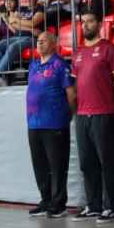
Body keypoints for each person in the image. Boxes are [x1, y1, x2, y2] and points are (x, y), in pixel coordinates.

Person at [71, 10, 114, 224]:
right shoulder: (77, 53)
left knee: (107, 162)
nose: (86, 25)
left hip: (104, 114)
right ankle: (93, 206)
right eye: (83, 22)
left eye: (90, 21)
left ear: (99, 24)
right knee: (87, 163)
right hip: (83, 115)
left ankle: (110, 206)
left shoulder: (108, 49)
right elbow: (75, 86)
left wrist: (111, 103)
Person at [26, 31, 76, 218]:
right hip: (34, 124)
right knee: (40, 166)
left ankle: (58, 204)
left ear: (54, 44)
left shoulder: (60, 65)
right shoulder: (33, 65)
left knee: (57, 166)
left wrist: (67, 115)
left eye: (44, 41)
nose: (39, 43)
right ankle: (45, 200)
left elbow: (71, 94)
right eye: (38, 41)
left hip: (55, 123)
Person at [0, 0, 36, 88]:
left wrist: (17, 21)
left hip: (30, 38)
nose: (8, 4)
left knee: (12, 47)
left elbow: (31, 25)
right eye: (6, 1)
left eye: (11, 1)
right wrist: (16, 22)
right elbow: (16, 28)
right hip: (17, 37)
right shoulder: (15, 13)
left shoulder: (32, 10)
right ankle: (1, 79)